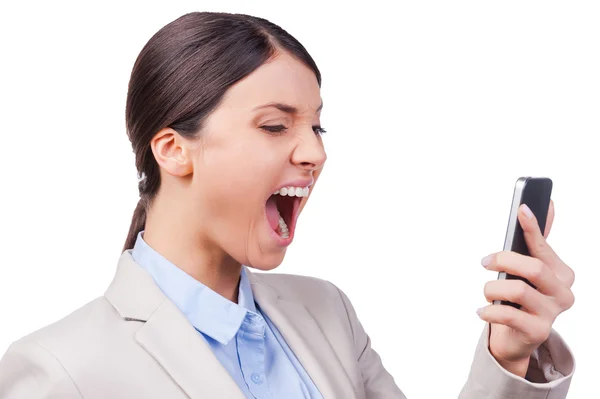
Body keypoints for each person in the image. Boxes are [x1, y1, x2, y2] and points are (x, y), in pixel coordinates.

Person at [0, 11, 575, 399]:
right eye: (275, 125)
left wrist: (511, 352)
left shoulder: (326, 312)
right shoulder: (59, 370)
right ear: (174, 151)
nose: (314, 153)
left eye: (319, 127)